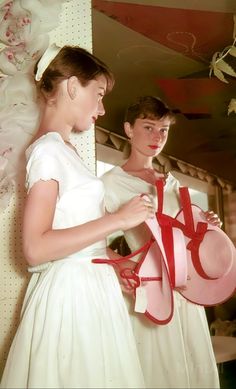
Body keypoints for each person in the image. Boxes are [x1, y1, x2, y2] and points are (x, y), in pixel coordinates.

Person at [0, 46, 156, 388]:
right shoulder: (47, 151)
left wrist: (116, 262)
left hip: (91, 289)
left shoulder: (64, 150)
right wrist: (117, 220)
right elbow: (36, 249)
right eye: (98, 95)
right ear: (72, 87)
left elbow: (74, 232)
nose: (101, 109)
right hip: (70, 299)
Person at [101, 96, 221, 388]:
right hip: (151, 288)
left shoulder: (173, 184)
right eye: (149, 127)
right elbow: (95, 241)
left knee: (192, 370)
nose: (157, 137)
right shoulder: (110, 183)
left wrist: (206, 225)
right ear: (129, 129)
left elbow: (187, 238)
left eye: (164, 129)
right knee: (158, 372)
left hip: (186, 291)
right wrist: (124, 268)